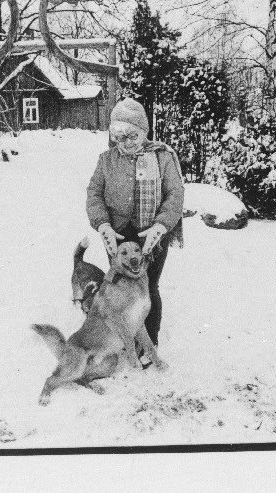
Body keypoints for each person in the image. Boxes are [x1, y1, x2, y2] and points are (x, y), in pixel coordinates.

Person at [86, 97, 185, 361]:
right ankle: (123, 337)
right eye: (120, 137)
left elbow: (175, 194)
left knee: (147, 287)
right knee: (119, 288)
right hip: (117, 236)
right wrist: (102, 224)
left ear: (144, 131)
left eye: (133, 135)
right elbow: (94, 194)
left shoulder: (162, 157)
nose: (127, 142)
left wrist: (161, 226)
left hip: (153, 235)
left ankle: (149, 343)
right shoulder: (106, 160)